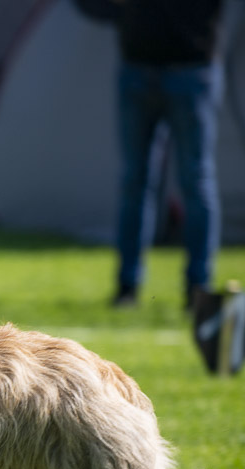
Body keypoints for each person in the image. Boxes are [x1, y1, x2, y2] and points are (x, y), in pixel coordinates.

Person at [77, 0, 229, 309]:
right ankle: (127, 287)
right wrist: (123, 13)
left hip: (193, 68)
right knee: (135, 182)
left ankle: (198, 289)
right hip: (138, 68)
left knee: (196, 180)